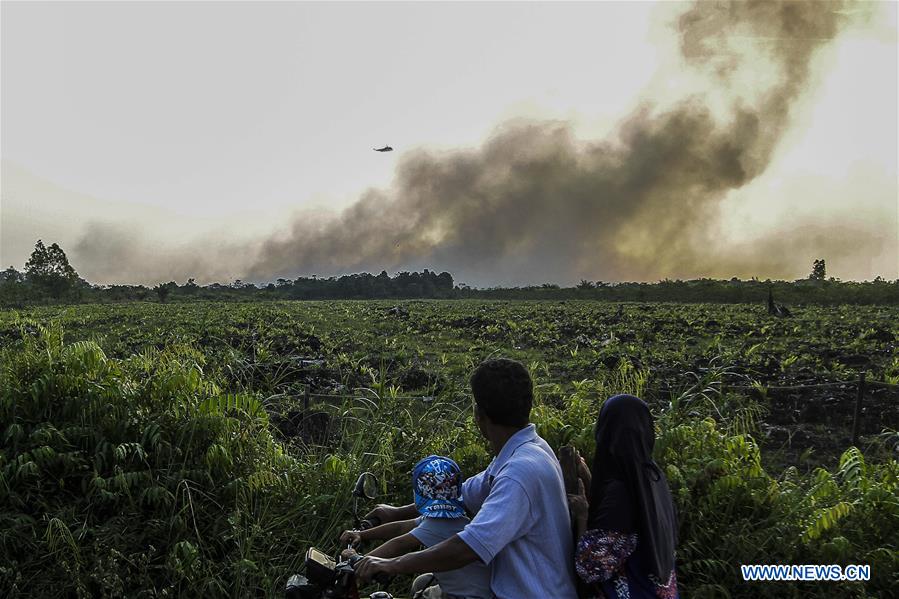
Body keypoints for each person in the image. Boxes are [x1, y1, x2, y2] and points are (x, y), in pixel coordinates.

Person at [355, 358, 579, 599]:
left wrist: (392, 565)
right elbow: (460, 495)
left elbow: (468, 547)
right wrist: (396, 512)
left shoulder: (519, 473)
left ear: (479, 414)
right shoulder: (528, 449)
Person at [568, 394, 679, 599]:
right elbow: (616, 520)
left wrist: (582, 516)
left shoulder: (621, 493)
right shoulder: (653, 477)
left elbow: (590, 567)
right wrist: (586, 474)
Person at [339, 455, 491, 599]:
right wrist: (362, 535)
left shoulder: (437, 524)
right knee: (421, 584)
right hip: (474, 589)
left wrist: (359, 561)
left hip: (469, 596)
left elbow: (398, 544)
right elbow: (400, 527)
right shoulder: (449, 516)